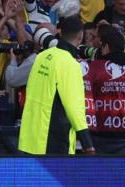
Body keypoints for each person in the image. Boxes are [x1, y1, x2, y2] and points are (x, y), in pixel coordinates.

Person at [18, 16, 94, 155]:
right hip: (54, 138)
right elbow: (73, 106)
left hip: (31, 137)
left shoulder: (42, 56)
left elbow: (30, 90)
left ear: (60, 32)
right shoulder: (70, 63)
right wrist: (86, 142)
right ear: (80, 36)